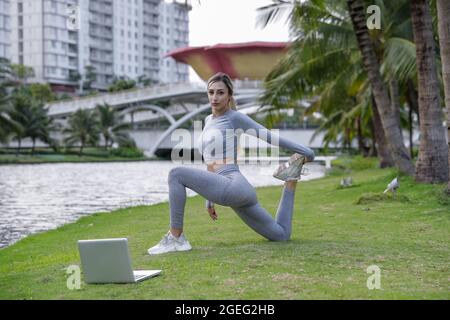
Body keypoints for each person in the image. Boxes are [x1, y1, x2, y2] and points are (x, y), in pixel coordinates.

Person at [147, 72, 315, 255]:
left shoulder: (234, 117)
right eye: (211, 92)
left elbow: (268, 135)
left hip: (233, 186)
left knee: (176, 174)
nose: (214, 97)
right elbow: (211, 162)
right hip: (236, 191)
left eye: (220, 92)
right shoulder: (208, 120)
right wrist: (209, 199)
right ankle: (290, 180)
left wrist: (306, 152)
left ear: (229, 96)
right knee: (280, 235)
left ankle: (176, 238)